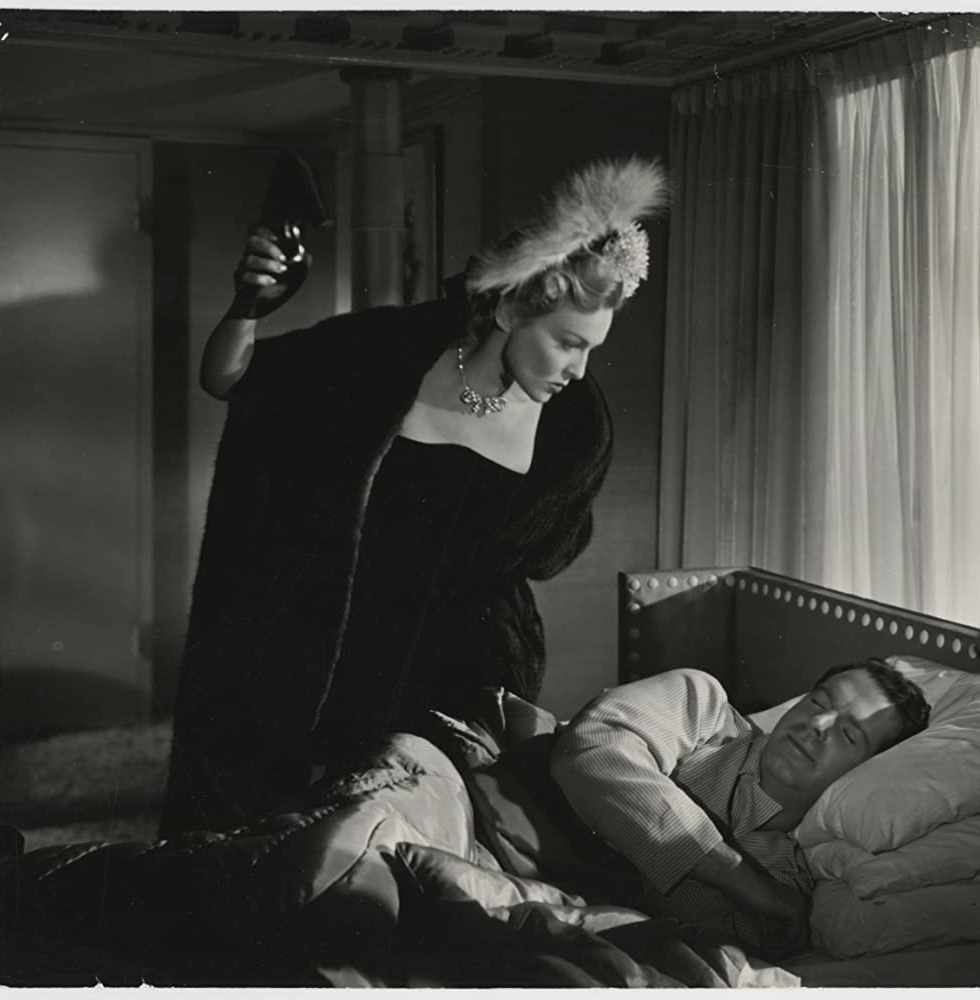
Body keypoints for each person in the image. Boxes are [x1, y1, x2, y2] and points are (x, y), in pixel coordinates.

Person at [159, 157, 668, 838]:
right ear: (511, 308)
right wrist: (250, 305)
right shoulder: (390, 350)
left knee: (428, 854)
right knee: (291, 846)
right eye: (567, 343)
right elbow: (230, 378)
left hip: (462, 675)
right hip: (336, 649)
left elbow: (545, 557)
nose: (578, 370)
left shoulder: (578, 429)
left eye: (591, 349)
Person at [549, 660, 930, 956]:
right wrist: (734, 876)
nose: (817, 722)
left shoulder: (785, 883)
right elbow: (593, 744)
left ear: (865, 772)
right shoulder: (702, 708)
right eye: (818, 701)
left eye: (849, 734)